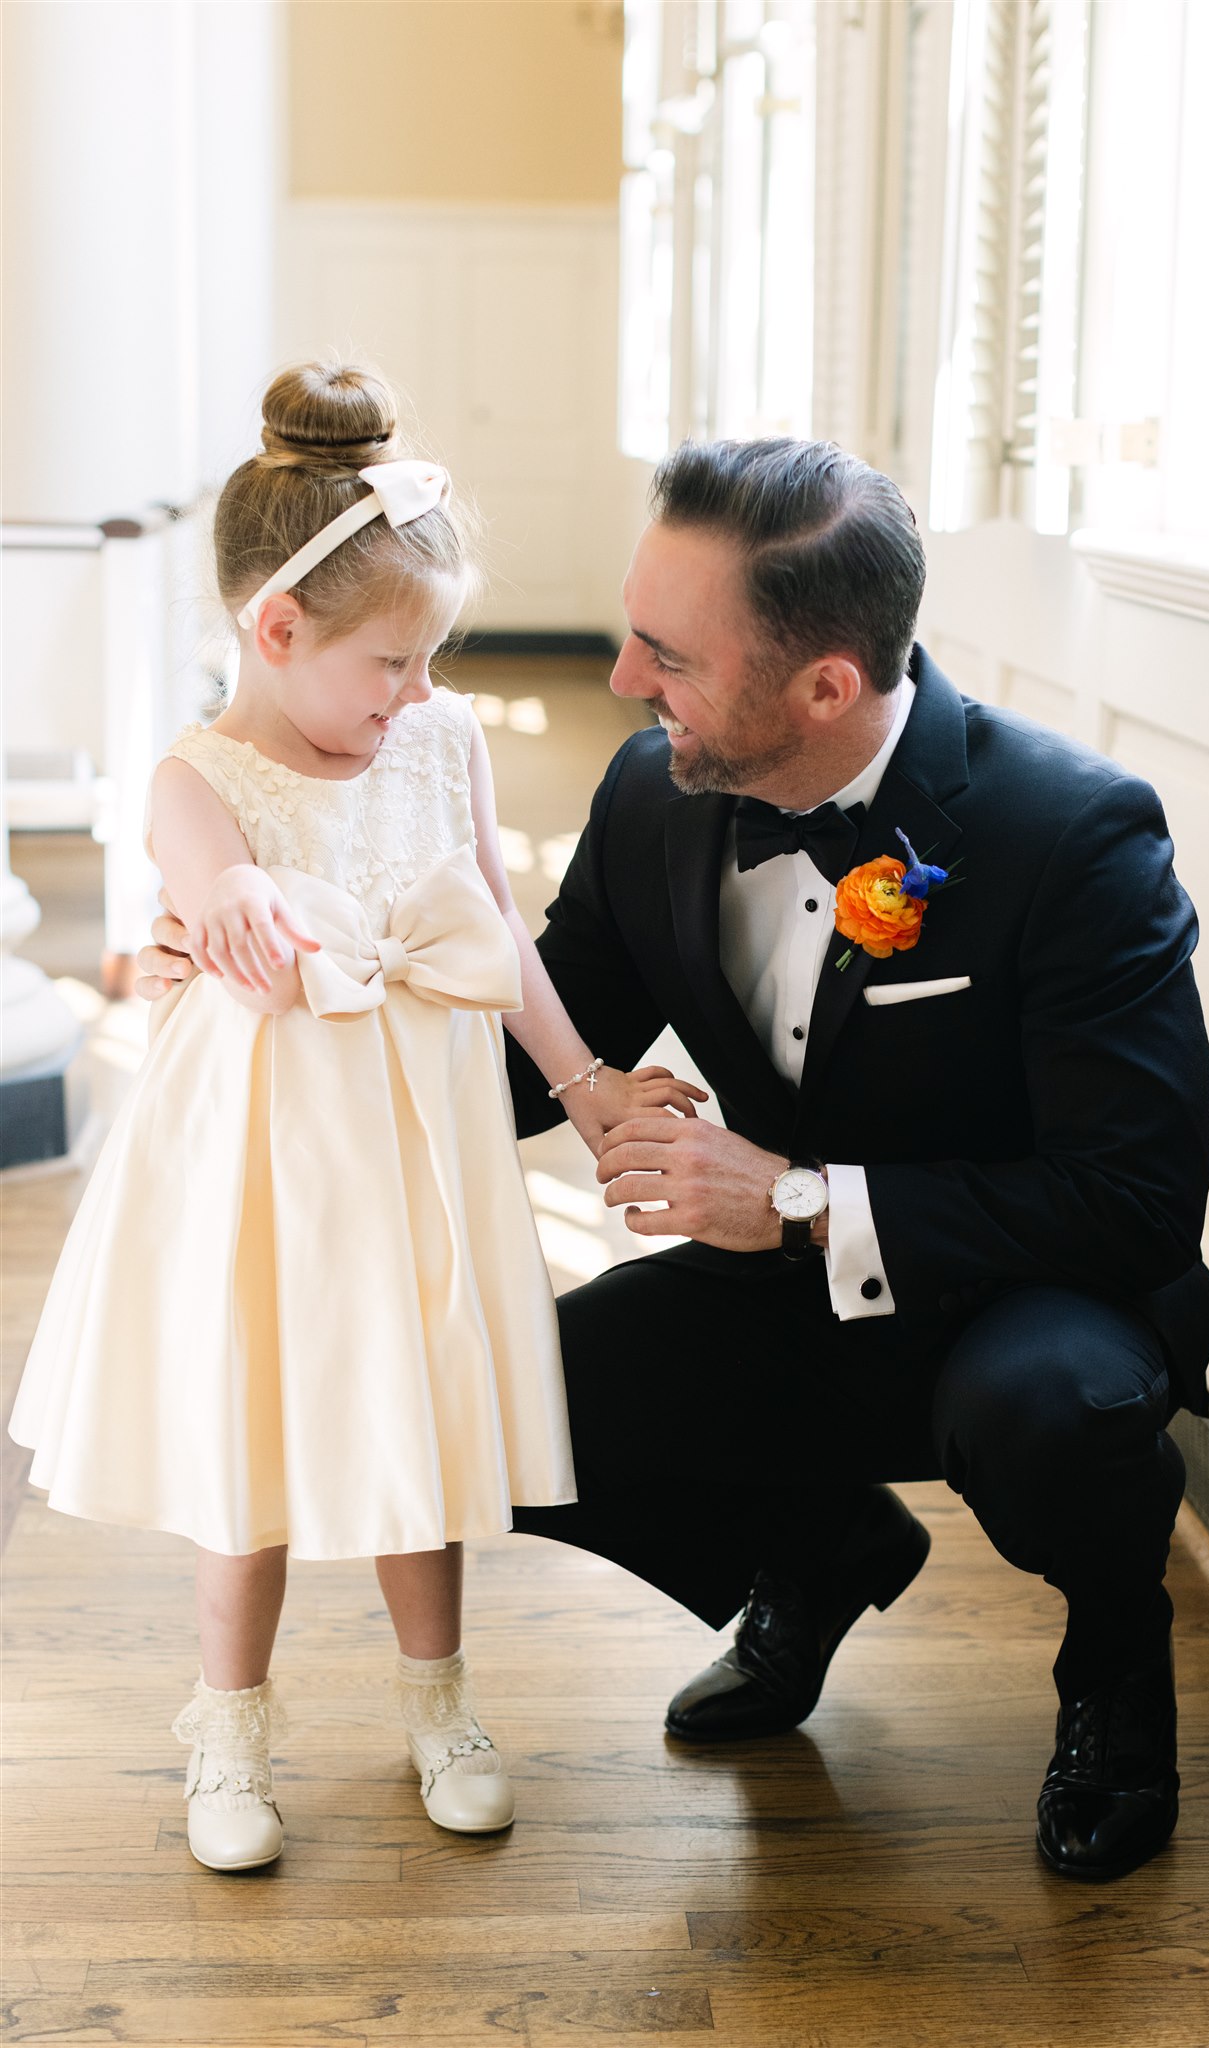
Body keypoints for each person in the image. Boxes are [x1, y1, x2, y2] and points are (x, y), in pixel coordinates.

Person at [138, 434, 1209, 1883]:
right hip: (780, 1282)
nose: (622, 682)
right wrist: (266, 1005)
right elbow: (527, 1037)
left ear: (824, 685)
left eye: (668, 654)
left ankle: (1111, 1669)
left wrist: (789, 1200)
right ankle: (820, 1555)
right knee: (513, 1409)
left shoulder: (1070, 833)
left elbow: (1136, 1199)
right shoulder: (657, 795)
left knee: (1052, 1412)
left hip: (1027, 1292)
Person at [9, 361, 702, 1876]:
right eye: (392, 663)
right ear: (276, 631)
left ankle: (438, 1699)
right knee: (250, 1432)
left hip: (420, 1152)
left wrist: (583, 1088)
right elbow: (207, 878)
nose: (418, 694)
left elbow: (499, 937)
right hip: (263, 1161)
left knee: (418, 1416)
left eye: (432, 658)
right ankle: (229, 1723)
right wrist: (228, 902)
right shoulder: (201, 777)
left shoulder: (437, 745)